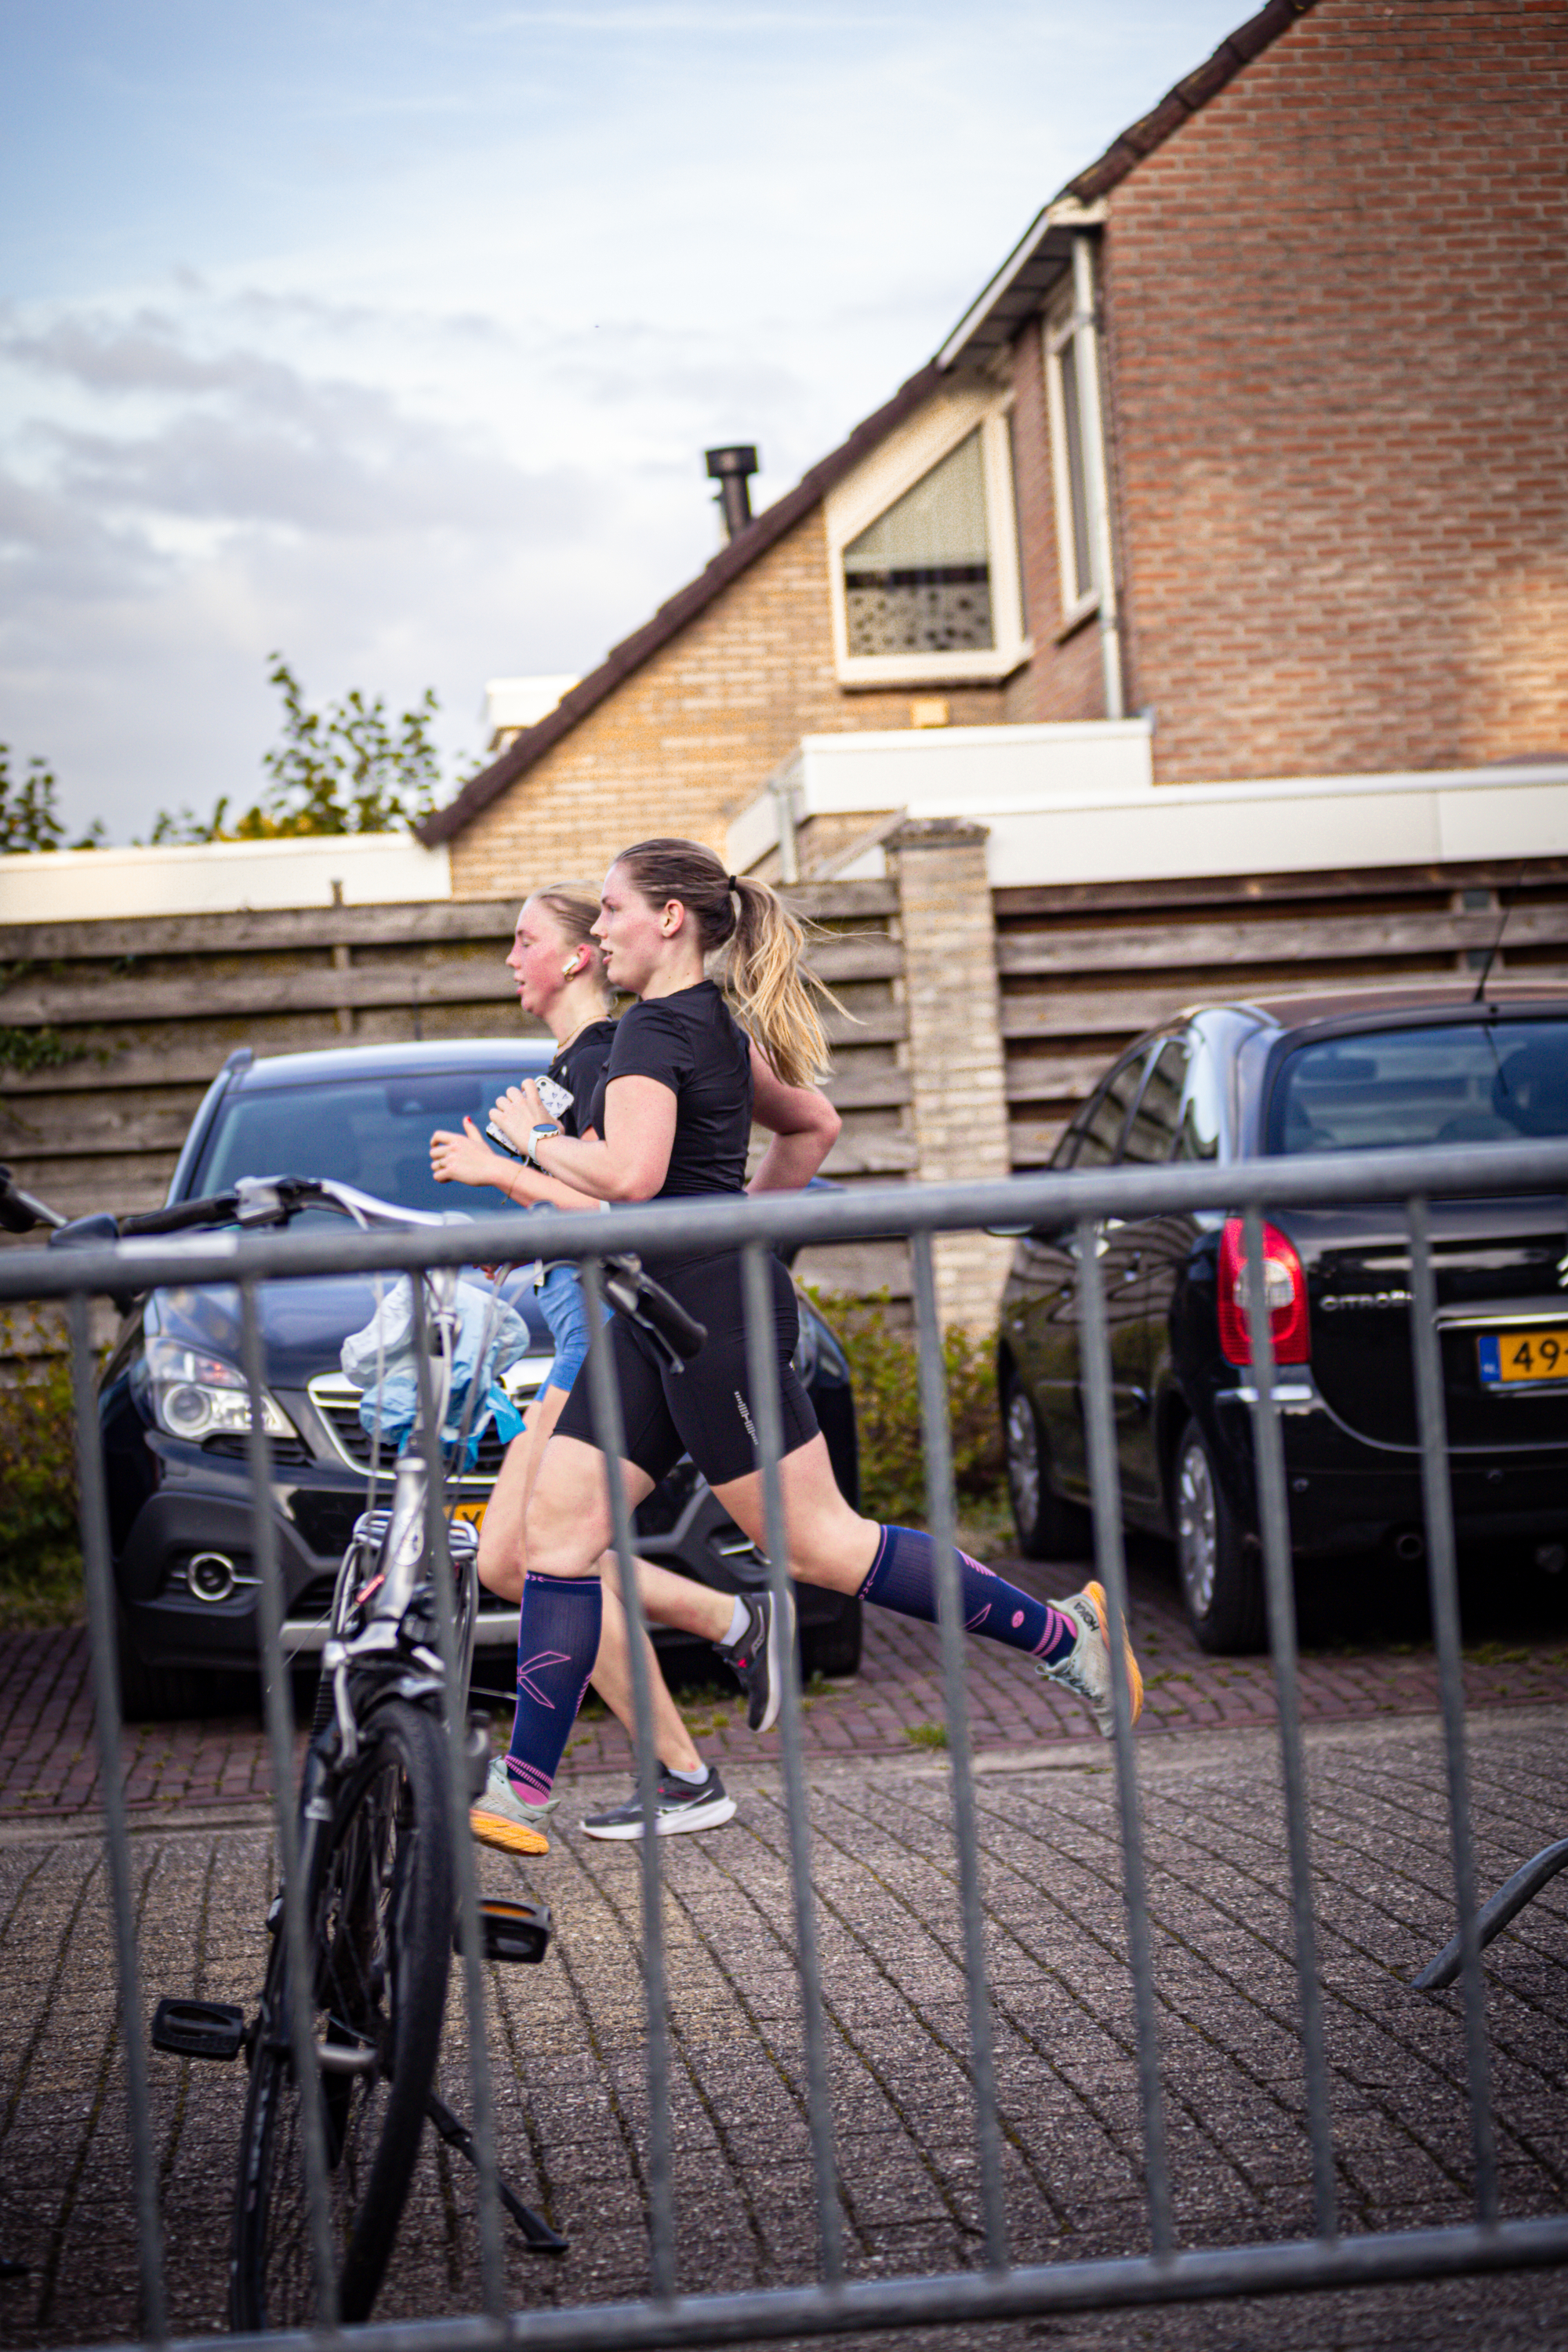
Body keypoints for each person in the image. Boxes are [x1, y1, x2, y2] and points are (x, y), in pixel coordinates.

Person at [485, 838, 1143, 1844]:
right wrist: (751, 1226)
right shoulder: (704, 1024)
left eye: (613, 908)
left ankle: (1067, 1637)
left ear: (669, 919)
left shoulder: (654, 1034)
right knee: (555, 1540)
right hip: (651, 1309)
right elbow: (813, 1127)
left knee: (822, 1546)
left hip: (709, 1322)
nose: (601, 927)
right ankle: (521, 1788)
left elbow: (629, 1177)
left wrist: (531, 1141)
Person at [430, 884, 770, 1847]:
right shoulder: (585, 1057)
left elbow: (620, 1200)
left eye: (526, 939)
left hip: (595, 1331)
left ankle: (683, 1726)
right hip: (582, 1319)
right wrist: (527, 1228)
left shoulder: (604, 1054)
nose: (510, 956)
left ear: (578, 955)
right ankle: (711, 1672)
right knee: (522, 1556)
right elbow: (587, 1198)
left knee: (538, 1555)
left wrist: (508, 1168)